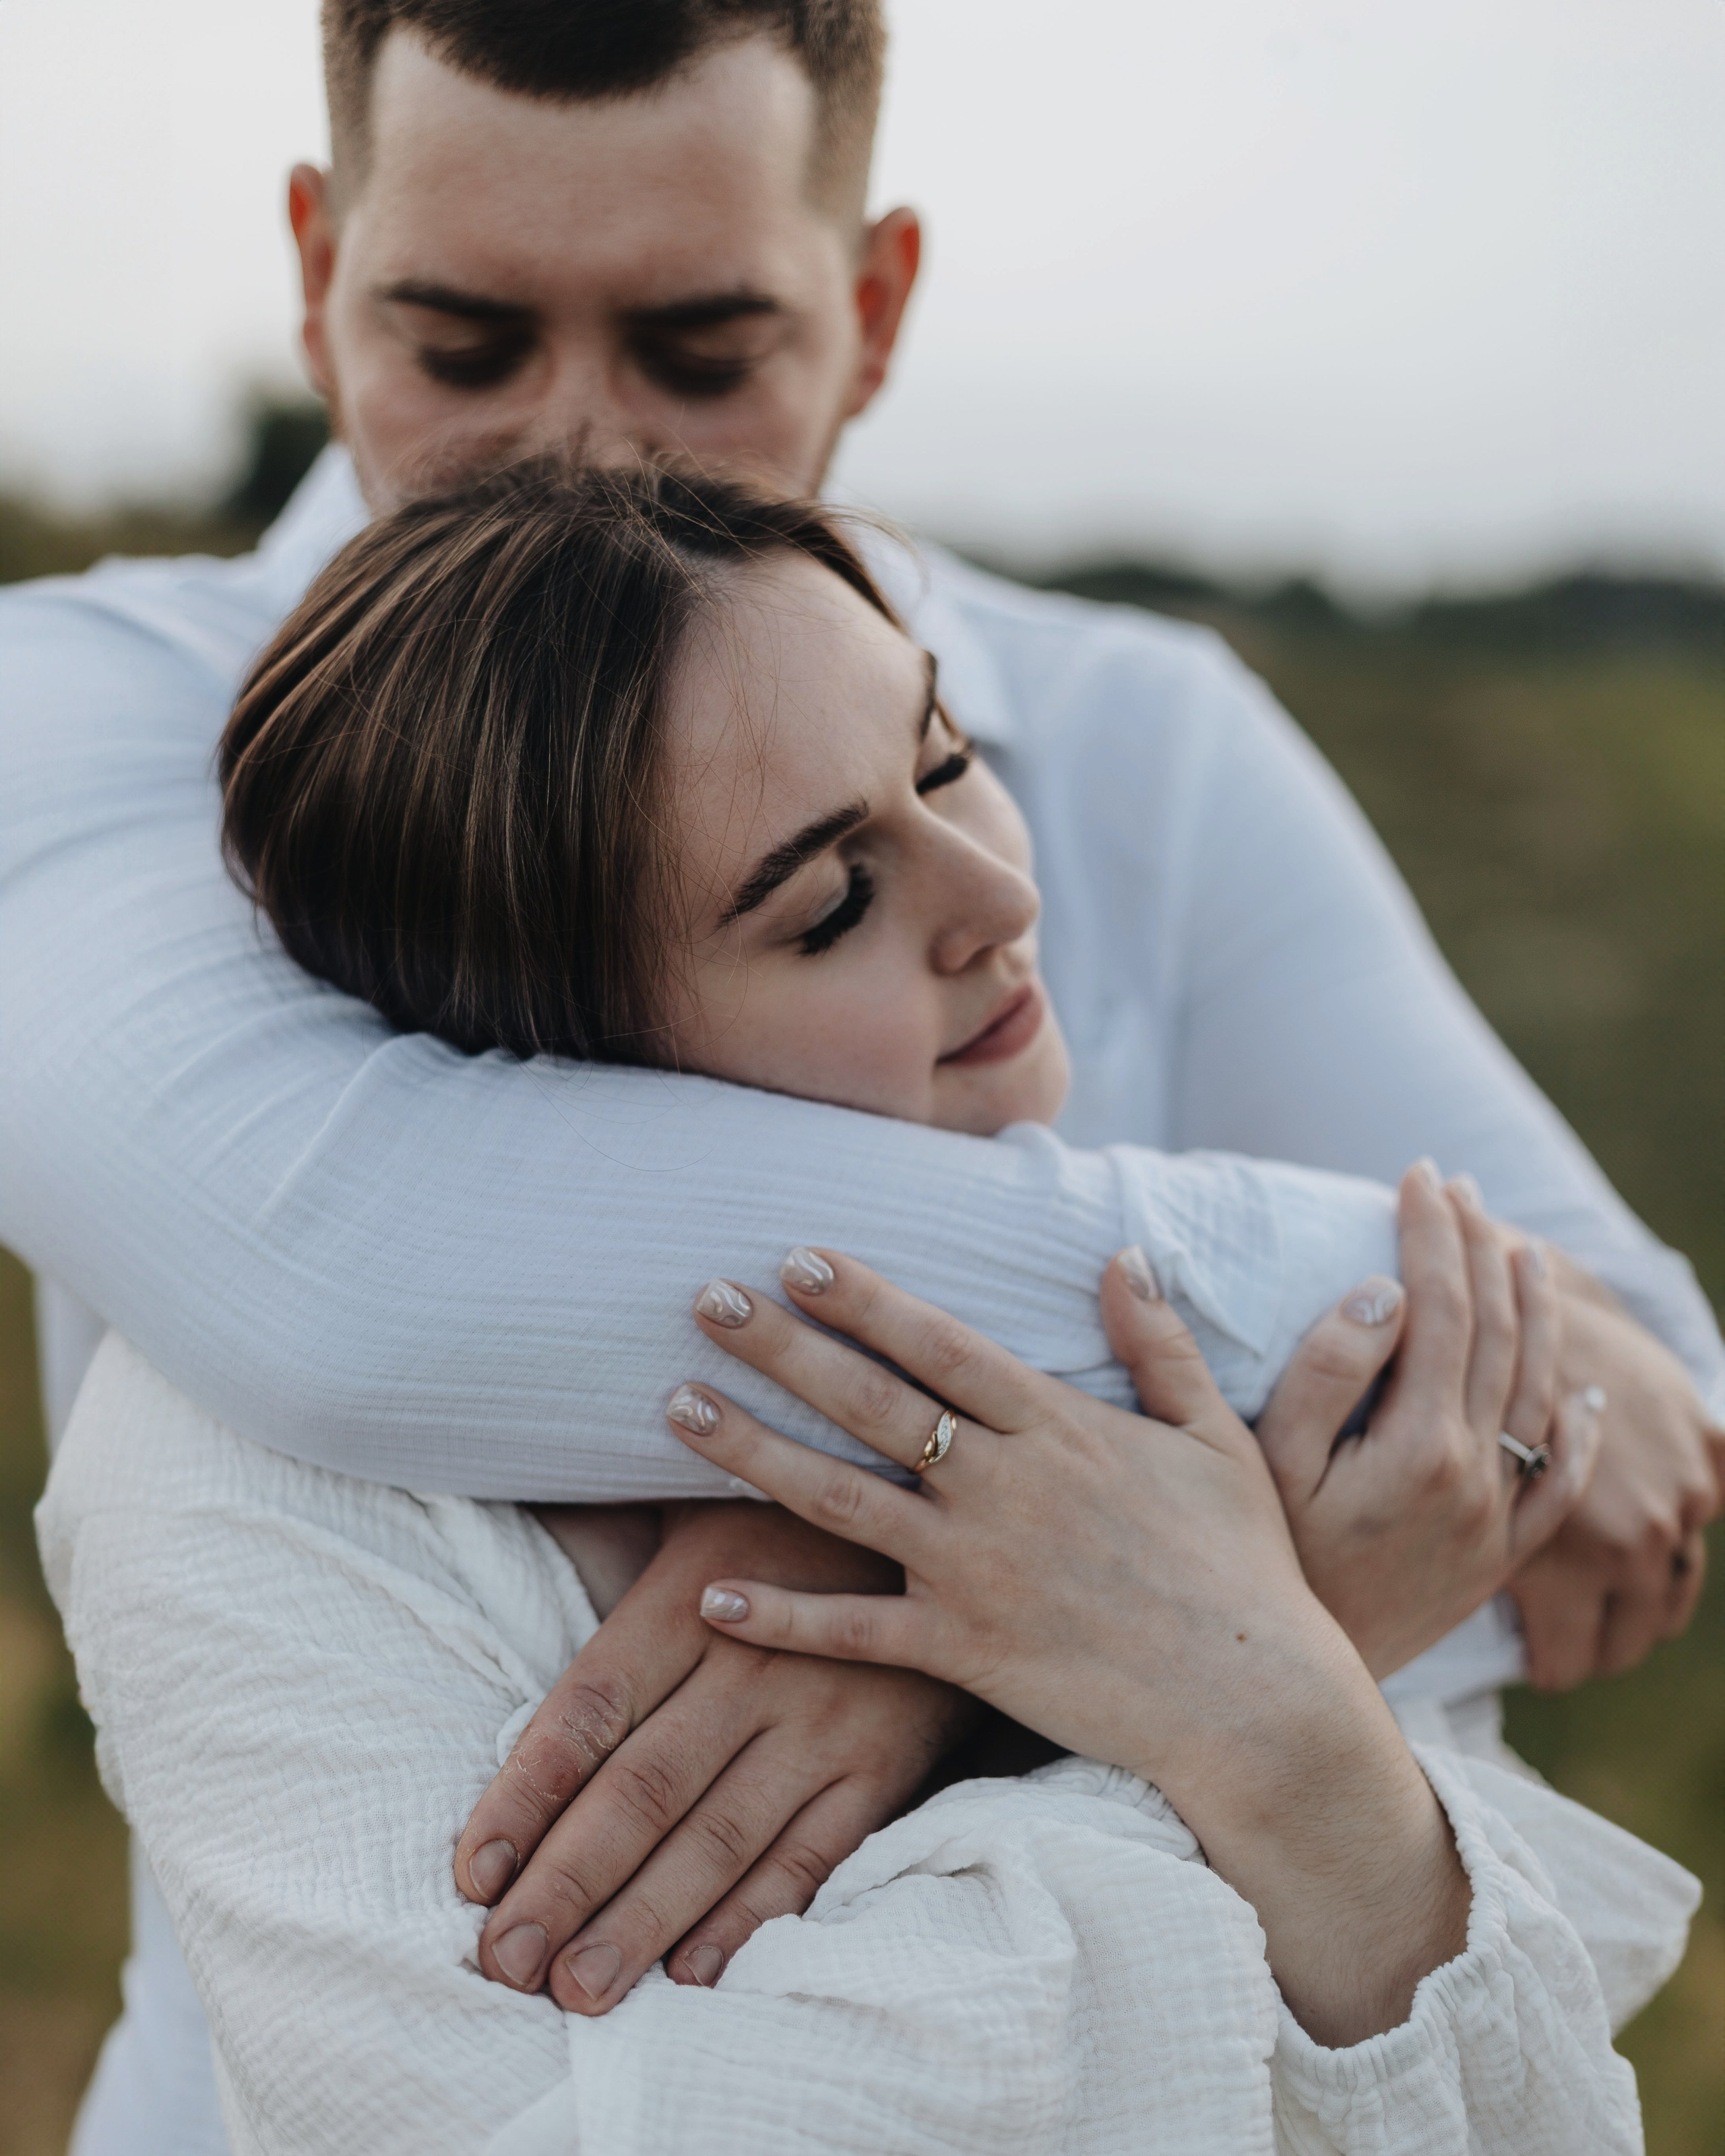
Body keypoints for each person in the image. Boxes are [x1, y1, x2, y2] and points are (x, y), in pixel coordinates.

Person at [0, 1, 1717, 2147]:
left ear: (876, 303)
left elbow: (1633, 1455)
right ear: (314, 267)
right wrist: (1096, 1592)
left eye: (700, 353)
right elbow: (346, 1257)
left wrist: (974, 1629)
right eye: (463, 347)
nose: (581, 453)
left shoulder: (1143, 738)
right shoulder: (89, 717)